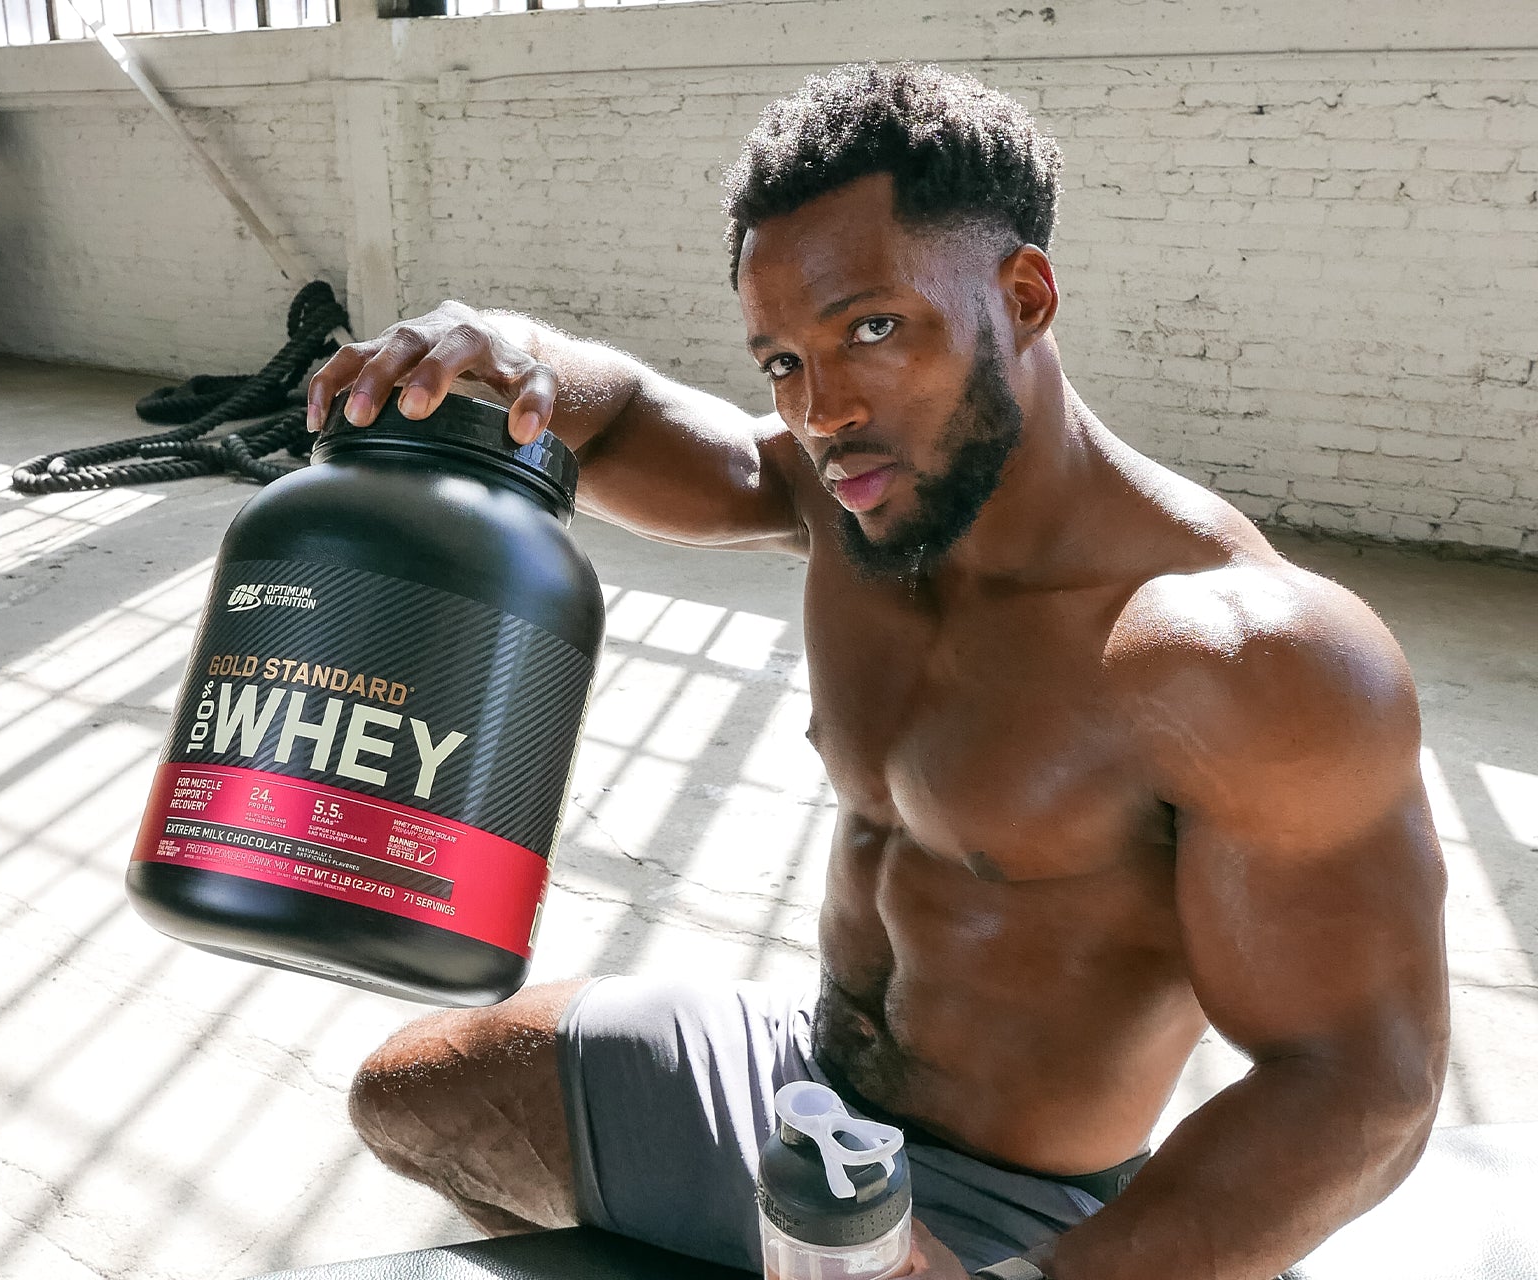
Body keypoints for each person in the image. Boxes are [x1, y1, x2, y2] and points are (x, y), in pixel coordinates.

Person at [307, 61, 1449, 1280]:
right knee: (411, 1097)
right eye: (783, 362)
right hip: (803, 1080)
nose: (823, 409)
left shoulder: (1246, 653)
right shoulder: (847, 496)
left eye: (871, 327)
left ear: (1022, 294)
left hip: (1019, 1206)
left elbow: (1362, 1085)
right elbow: (631, 417)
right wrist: (515, 351)